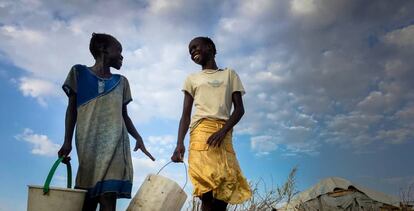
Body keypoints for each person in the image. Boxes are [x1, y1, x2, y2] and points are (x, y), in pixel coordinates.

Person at [58, 33, 155, 211]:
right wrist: (67, 141)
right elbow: (71, 110)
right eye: (118, 50)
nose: (121, 56)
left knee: (108, 196)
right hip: (89, 145)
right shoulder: (78, 73)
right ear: (103, 49)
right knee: (87, 200)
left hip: (117, 145)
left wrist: (138, 138)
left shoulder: (122, 82)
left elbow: (124, 115)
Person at [171, 37, 251, 211]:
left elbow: (239, 110)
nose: (192, 52)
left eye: (195, 47)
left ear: (210, 47)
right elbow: (185, 115)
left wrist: (223, 131)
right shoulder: (192, 79)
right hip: (201, 131)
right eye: (190, 50)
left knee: (225, 189)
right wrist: (179, 143)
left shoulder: (229, 74)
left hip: (224, 132)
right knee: (205, 189)